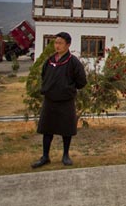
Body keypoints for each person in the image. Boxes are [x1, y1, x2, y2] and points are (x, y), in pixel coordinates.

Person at [31, 32, 87, 168]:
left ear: (68, 45)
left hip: (66, 101)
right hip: (50, 100)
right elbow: (44, 76)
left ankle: (66, 155)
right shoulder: (49, 61)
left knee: (66, 130)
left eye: (60, 43)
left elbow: (81, 81)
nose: (57, 45)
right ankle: (45, 156)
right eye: (56, 43)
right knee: (47, 129)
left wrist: (68, 89)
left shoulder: (73, 62)